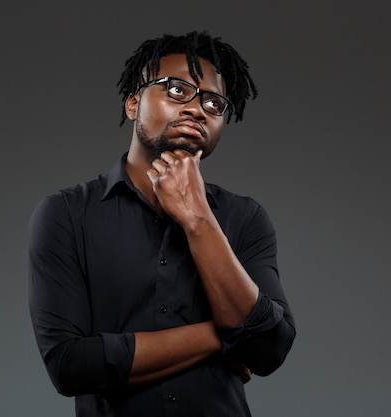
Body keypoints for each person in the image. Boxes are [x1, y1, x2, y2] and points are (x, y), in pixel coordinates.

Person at [28, 30, 296, 416]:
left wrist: (198, 220)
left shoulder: (244, 218)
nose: (196, 108)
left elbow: (269, 350)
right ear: (133, 102)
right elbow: (70, 366)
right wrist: (223, 334)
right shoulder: (66, 215)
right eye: (176, 90)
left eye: (214, 102)